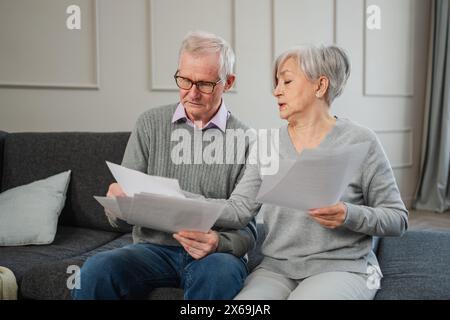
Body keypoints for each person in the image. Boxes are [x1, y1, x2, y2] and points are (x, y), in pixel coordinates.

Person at [71, 31, 260, 300]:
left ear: (227, 82)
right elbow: (123, 215)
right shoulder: (149, 124)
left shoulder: (248, 140)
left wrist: (220, 243)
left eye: (204, 84)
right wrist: (117, 204)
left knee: (220, 273)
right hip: (152, 249)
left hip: (214, 254)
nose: (192, 93)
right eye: (184, 80)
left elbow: (249, 226)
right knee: (96, 270)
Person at [231, 45, 409, 299]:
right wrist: (189, 210)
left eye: (287, 81)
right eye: (276, 82)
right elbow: (239, 209)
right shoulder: (267, 144)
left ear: (320, 86)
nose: (276, 91)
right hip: (276, 269)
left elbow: (398, 219)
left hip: (344, 268)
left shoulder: (361, 140)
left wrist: (348, 214)